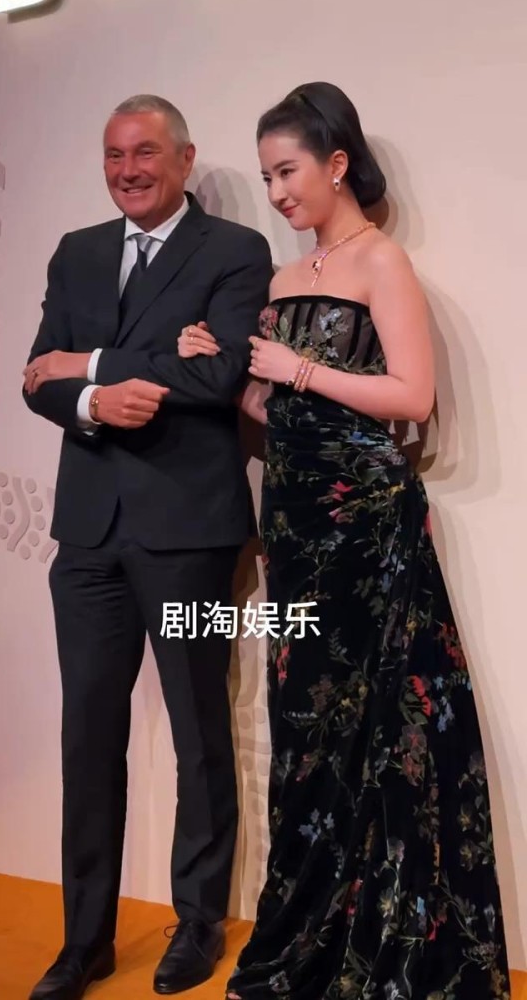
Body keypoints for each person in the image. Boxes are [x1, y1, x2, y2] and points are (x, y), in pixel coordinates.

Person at [178, 82, 510, 1000]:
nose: (277, 192)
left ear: (335, 164)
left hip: (368, 526)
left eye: (288, 171)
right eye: (266, 177)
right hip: (293, 524)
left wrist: (296, 369)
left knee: (380, 727)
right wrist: (232, 374)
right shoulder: (283, 281)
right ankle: (314, 937)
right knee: (307, 729)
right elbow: (278, 413)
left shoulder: (381, 263)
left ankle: (389, 949)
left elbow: (412, 396)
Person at [21, 94, 273, 1000]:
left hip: (188, 532)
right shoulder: (77, 251)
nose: (127, 170)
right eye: (114, 155)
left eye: (145, 153)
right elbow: (36, 373)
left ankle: (197, 923)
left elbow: (220, 372)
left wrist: (89, 366)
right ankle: (83, 939)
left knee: (201, 730)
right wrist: (93, 400)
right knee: (88, 736)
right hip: (87, 534)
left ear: (184, 158)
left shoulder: (235, 250)